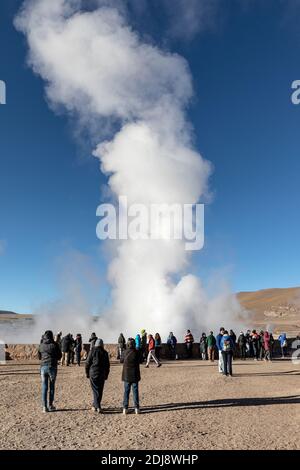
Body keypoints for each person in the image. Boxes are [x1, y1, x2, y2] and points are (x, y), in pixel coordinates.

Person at [38, 330, 62, 412]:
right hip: (52, 367)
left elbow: (39, 356)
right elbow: (59, 356)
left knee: (44, 387)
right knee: (51, 387)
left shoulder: (41, 345)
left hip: (43, 367)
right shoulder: (54, 345)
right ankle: (51, 405)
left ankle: (44, 407)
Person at [85, 339, 110, 413]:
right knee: (99, 390)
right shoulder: (105, 353)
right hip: (102, 373)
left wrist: (87, 373)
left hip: (93, 373)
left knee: (95, 390)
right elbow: (107, 365)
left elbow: (87, 363)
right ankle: (95, 405)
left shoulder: (92, 351)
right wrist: (106, 374)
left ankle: (97, 406)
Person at [122, 338, 141, 415]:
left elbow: (121, 360)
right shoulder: (137, 352)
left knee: (126, 391)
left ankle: (125, 408)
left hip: (126, 375)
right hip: (135, 374)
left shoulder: (124, 352)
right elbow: (141, 360)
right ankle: (136, 408)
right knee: (135, 391)